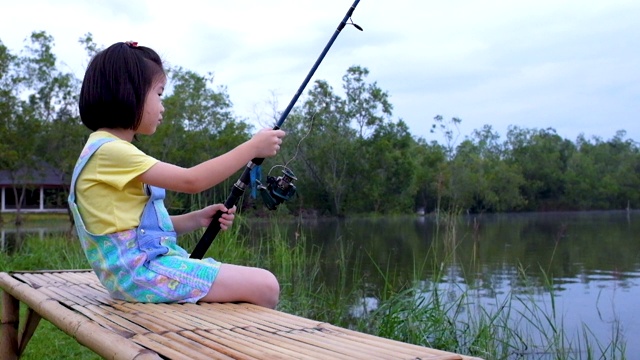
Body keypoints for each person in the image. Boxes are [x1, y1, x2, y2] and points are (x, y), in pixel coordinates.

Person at [69, 41, 285, 309]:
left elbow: (137, 230)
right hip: (142, 274)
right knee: (265, 285)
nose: (162, 106)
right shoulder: (110, 151)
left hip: (136, 275)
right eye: (159, 94)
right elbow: (191, 181)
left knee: (257, 284)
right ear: (130, 93)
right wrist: (253, 147)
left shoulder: (105, 150)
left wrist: (196, 219)